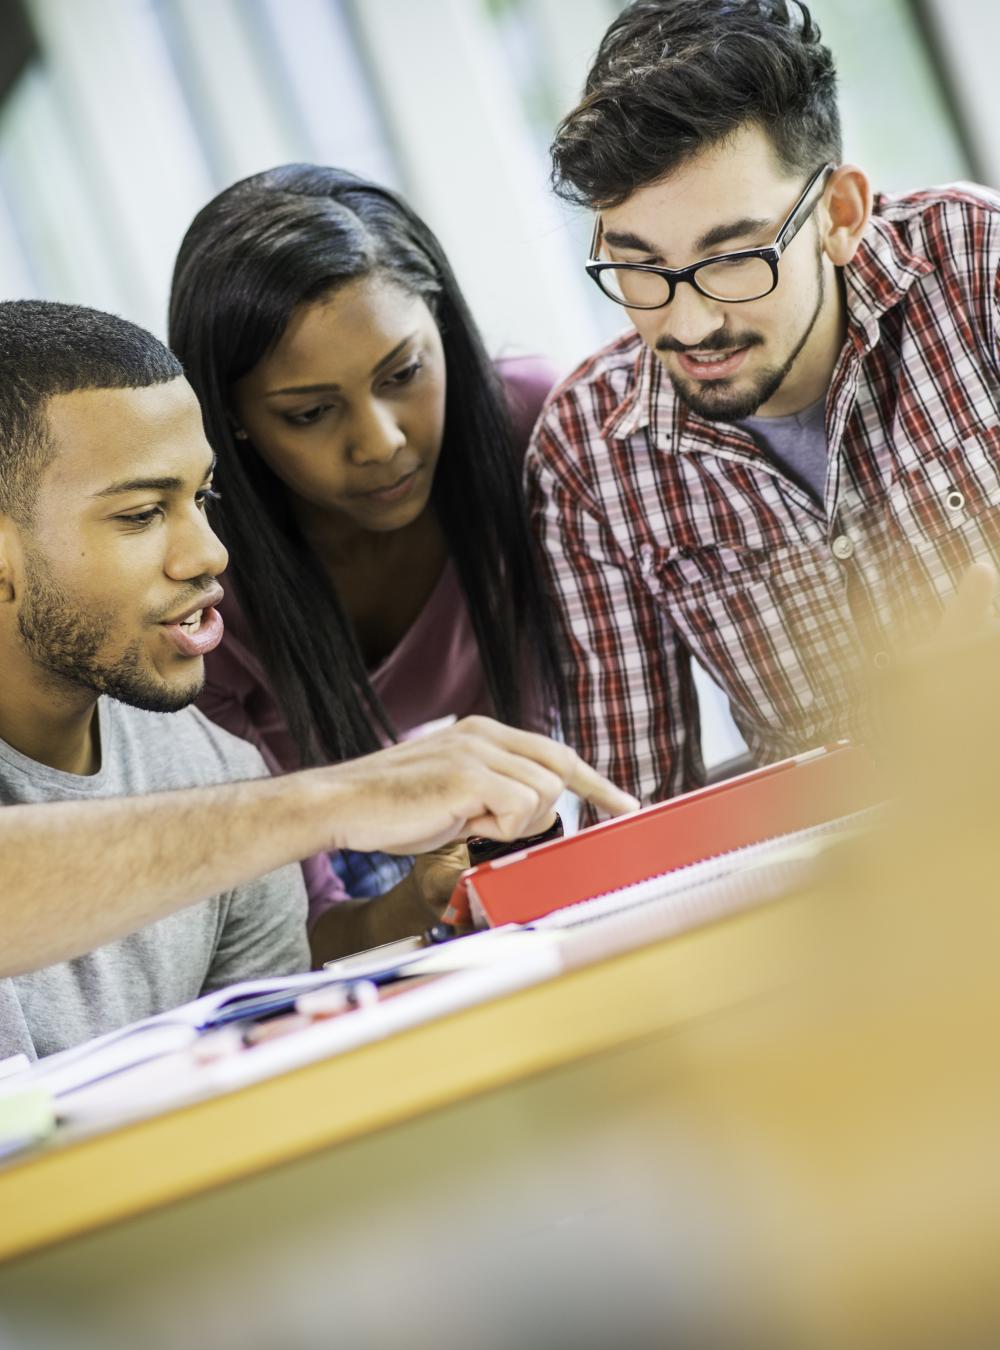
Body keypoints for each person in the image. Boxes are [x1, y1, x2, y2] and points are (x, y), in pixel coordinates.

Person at [0, 299, 635, 1060]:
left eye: (201, 499)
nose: (208, 556)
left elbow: (271, 1071)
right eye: (140, 514)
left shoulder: (211, 767)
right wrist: (333, 801)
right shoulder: (246, 807)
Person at [526, 0, 1000, 821]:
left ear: (840, 215)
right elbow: (633, 822)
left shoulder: (978, 269)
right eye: (639, 267)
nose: (687, 324)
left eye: (733, 258)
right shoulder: (588, 458)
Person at [168, 165, 562, 947]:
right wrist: (425, 897)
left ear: (442, 328)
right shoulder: (198, 587)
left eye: (405, 373)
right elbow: (293, 939)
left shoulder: (535, 432)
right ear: (232, 420)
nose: (381, 442)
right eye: (310, 412)